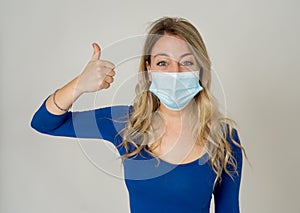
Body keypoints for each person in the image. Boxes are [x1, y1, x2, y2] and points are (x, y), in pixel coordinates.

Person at [31, 17, 246, 213]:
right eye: (163, 63)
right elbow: (44, 123)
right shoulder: (126, 124)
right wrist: (79, 85)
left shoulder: (224, 138)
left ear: (201, 68)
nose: (175, 72)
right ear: (149, 70)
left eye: (187, 62)